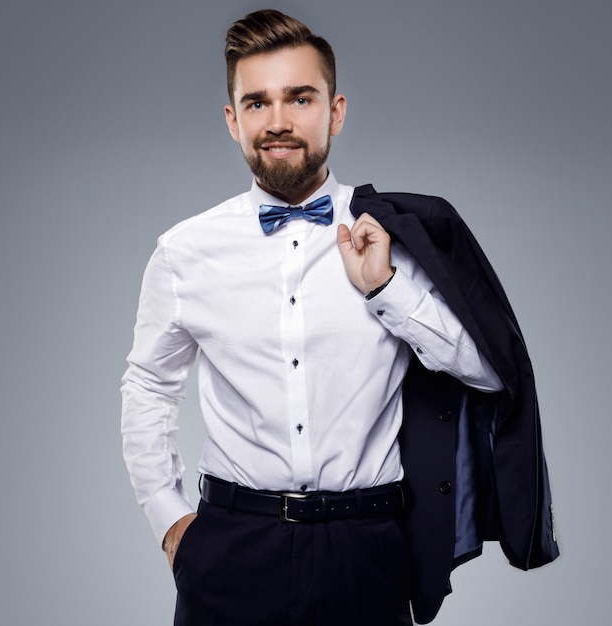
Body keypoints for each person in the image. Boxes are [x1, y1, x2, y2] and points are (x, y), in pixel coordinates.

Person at [121, 9, 558, 626]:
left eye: (300, 98)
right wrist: (171, 524)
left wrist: (385, 289)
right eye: (256, 103)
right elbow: (147, 386)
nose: (277, 122)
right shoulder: (184, 252)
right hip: (230, 549)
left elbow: (493, 373)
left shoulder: (398, 235)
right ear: (232, 120)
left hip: (368, 548)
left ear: (336, 110)